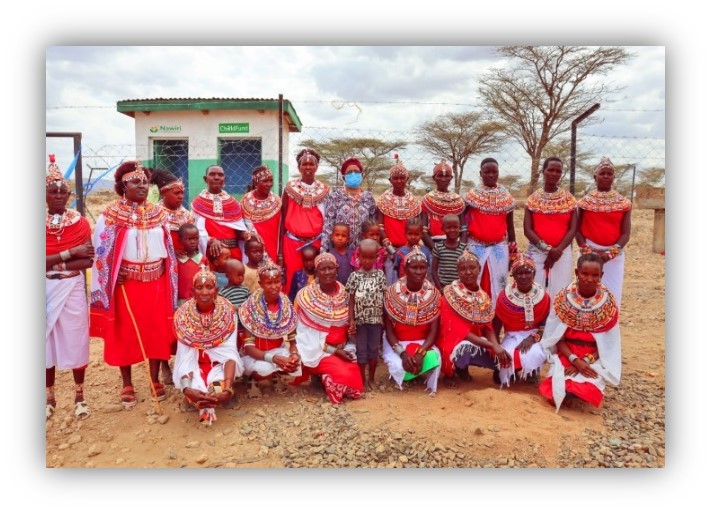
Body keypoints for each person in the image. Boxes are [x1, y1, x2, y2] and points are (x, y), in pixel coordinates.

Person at [90, 161, 178, 408]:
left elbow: (168, 248)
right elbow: (102, 252)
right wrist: (111, 273)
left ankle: (154, 379)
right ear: (122, 186)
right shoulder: (110, 215)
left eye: (144, 181)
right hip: (125, 284)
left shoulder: (159, 213)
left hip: (156, 281)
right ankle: (127, 382)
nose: (141, 185)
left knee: (155, 329)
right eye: (135, 182)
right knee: (125, 331)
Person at [45, 155, 95, 421]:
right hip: (43, 288)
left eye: (63, 192)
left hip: (73, 285)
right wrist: (68, 253)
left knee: (76, 340)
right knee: (44, 342)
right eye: (53, 191)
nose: (58, 196)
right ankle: (49, 397)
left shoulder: (80, 222)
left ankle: (79, 396)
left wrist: (55, 261)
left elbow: (87, 259)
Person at [539, 253, 621, 411]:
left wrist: (586, 362)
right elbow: (558, 338)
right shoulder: (563, 299)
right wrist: (575, 361)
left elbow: (608, 344)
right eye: (584, 274)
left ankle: (574, 394)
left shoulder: (608, 305)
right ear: (577, 273)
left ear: (601, 276)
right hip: (568, 353)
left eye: (595, 275)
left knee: (588, 384)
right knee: (557, 382)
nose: (589, 279)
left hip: (594, 356)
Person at [173, 265, 244, 426]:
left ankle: (220, 395)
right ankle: (194, 398)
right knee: (195, 396)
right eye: (199, 288)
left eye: (209, 287)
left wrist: (227, 390)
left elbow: (230, 356)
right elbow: (184, 359)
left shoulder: (228, 314)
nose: (204, 292)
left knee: (214, 393)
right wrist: (186, 389)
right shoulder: (183, 317)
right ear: (192, 292)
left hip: (219, 368)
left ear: (216, 290)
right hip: (193, 368)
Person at [294, 253, 364, 404]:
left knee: (355, 379)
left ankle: (324, 375)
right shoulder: (307, 297)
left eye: (330, 268)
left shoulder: (345, 293)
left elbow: (349, 324)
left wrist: (349, 337)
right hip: (318, 350)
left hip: (342, 348)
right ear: (316, 272)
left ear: (336, 269)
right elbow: (307, 336)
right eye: (322, 269)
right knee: (343, 375)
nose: (327, 273)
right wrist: (336, 351)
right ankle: (320, 375)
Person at [436, 250, 509, 387]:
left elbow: (487, 328)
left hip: (476, 341)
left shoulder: (483, 296)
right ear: (458, 271)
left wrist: (496, 346)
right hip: (454, 340)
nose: (468, 272)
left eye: (472, 268)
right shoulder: (449, 294)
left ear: (479, 269)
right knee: (460, 349)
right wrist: (492, 345)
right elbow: (460, 332)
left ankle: (471, 368)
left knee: (503, 354)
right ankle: (453, 371)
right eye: (463, 269)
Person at [382, 246, 442, 395]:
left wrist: (420, 353)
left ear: (427, 269)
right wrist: (403, 354)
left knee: (435, 359)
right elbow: (388, 331)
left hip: (424, 343)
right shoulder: (391, 293)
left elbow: (434, 331)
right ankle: (409, 372)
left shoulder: (433, 295)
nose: (418, 271)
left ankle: (418, 370)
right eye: (414, 267)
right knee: (398, 366)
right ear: (405, 268)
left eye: (422, 267)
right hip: (397, 343)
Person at [575, 157, 632, 307]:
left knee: (612, 293)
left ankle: (609, 328)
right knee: (586, 293)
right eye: (602, 173)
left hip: (614, 256)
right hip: (588, 254)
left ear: (614, 177)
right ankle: (587, 327)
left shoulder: (623, 203)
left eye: (609, 173)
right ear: (595, 177)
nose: (606, 176)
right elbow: (577, 229)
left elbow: (625, 234)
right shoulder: (584, 202)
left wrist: (609, 254)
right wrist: (586, 250)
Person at [238, 258, 299, 397]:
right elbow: (248, 348)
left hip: (277, 351)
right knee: (264, 367)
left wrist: (294, 354)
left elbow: (292, 338)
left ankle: (274, 374)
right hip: (255, 355)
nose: (274, 287)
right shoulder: (251, 306)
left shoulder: (285, 303)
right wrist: (274, 358)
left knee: (298, 360)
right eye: (269, 283)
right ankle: (256, 378)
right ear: (260, 284)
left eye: (277, 282)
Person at [463, 157, 518, 306]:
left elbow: (510, 226)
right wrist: (462, 243)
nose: (491, 175)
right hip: (475, 246)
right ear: (480, 173)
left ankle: (494, 321)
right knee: (475, 281)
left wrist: (513, 250)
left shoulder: (506, 197)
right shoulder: (472, 196)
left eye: (495, 172)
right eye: (487, 172)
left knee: (498, 285)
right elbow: (462, 219)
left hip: (499, 247)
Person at [278, 148, 330, 295]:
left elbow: (328, 220)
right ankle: (291, 312)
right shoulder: (289, 188)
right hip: (292, 243)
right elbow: (283, 219)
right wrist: (280, 252)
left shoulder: (324, 190)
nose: (308, 167)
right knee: (291, 279)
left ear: (317, 167)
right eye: (304, 164)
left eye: (311, 164)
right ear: (299, 167)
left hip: (316, 242)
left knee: (316, 280)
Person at [493, 254, 551, 387]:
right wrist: (496, 352)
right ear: (513, 276)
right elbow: (496, 327)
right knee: (507, 356)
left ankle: (532, 372)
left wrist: (532, 338)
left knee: (536, 353)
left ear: (534, 274)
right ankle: (511, 372)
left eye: (527, 273)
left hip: (535, 335)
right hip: (511, 336)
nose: (523, 276)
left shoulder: (543, 297)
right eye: (519, 273)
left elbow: (545, 325)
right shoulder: (504, 297)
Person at [524, 157, 578, 298]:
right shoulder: (533, 199)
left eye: (558, 171)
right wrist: (548, 249)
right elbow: (528, 230)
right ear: (543, 171)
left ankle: (556, 320)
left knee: (561, 289)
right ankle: (537, 320)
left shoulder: (569, 199)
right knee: (535, 289)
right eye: (550, 170)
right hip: (537, 250)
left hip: (563, 252)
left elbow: (573, 229)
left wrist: (557, 251)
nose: (554, 174)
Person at [345, 239, 387, 391]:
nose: (367, 261)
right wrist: (351, 319)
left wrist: (384, 318)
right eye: (364, 257)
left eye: (371, 257)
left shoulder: (380, 275)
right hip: (360, 320)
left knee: (373, 349)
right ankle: (362, 379)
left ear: (376, 257)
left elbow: (384, 297)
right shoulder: (354, 276)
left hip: (376, 319)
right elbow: (350, 299)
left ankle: (372, 378)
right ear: (358, 257)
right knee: (361, 349)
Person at [191, 165, 251, 263]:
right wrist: (211, 240)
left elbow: (239, 229)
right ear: (205, 179)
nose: (216, 177)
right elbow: (196, 230)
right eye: (212, 174)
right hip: (210, 254)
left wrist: (246, 234)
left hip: (234, 256)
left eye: (220, 175)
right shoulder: (198, 203)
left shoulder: (233, 203)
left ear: (225, 179)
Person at [376, 157, 421, 285]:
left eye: (402, 178)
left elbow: (416, 228)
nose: (399, 181)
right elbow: (380, 227)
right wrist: (391, 250)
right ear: (390, 180)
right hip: (390, 250)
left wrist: (410, 250)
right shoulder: (383, 199)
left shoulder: (413, 201)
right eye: (395, 178)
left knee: (410, 282)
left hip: (410, 250)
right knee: (390, 283)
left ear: (408, 179)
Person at [320, 156, 376, 252]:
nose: (353, 174)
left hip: (363, 252)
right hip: (339, 250)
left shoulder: (368, 197)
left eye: (357, 171)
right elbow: (328, 225)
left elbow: (373, 224)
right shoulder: (335, 196)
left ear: (361, 175)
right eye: (349, 172)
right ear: (343, 176)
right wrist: (324, 250)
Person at [420, 160, 465, 250]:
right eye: (440, 176)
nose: (443, 179)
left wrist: (460, 248)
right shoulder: (427, 200)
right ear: (434, 178)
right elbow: (423, 231)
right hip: (433, 245)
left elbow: (463, 229)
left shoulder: (458, 201)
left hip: (456, 246)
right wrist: (436, 250)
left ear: (451, 178)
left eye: (447, 176)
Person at [241, 165, 282, 262]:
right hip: (251, 251)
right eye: (265, 181)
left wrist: (280, 253)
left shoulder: (277, 202)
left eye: (271, 180)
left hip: (273, 249)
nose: (269, 184)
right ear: (256, 182)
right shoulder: (244, 202)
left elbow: (281, 230)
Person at [155, 171, 195, 254]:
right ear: (163, 193)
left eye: (182, 193)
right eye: (176, 193)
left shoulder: (187, 215)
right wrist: (171, 252)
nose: (181, 197)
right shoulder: (154, 214)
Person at [431, 214, 467, 291]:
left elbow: (465, 270)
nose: (452, 230)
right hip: (443, 286)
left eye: (455, 227)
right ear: (442, 229)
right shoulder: (438, 247)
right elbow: (434, 270)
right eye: (449, 227)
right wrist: (440, 288)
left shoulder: (463, 248)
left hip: (459, 288)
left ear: (460, 228)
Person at [176, 223, 208, 306]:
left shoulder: (203, 259)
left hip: (200, 299)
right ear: (180, 240)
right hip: (181, 301)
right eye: (189, 239)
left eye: (196, 238)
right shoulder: (177, 260)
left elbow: (209, 279)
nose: (193, 242)